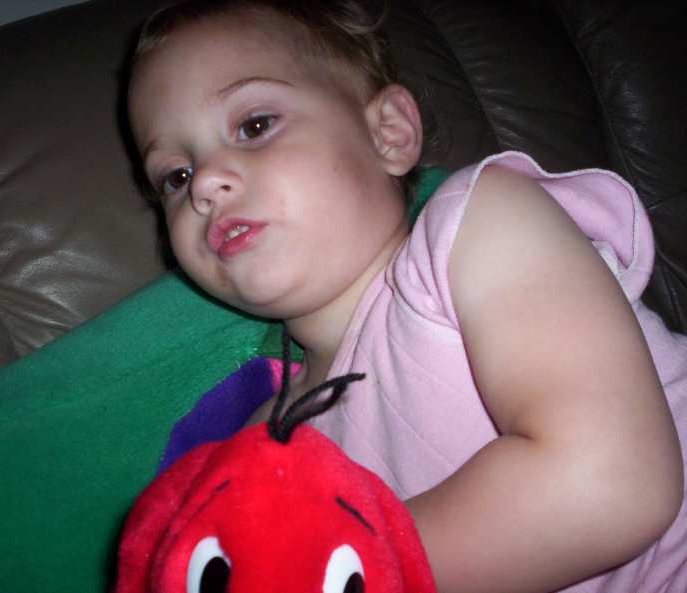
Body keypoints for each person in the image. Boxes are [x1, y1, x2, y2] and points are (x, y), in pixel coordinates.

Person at [125, 1, 687, 591]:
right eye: (175, 177)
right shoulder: (270, 442)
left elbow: (613, 483)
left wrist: (332, 566)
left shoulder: (478, 226)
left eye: (255, 126)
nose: (206, 184)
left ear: (387, 133)